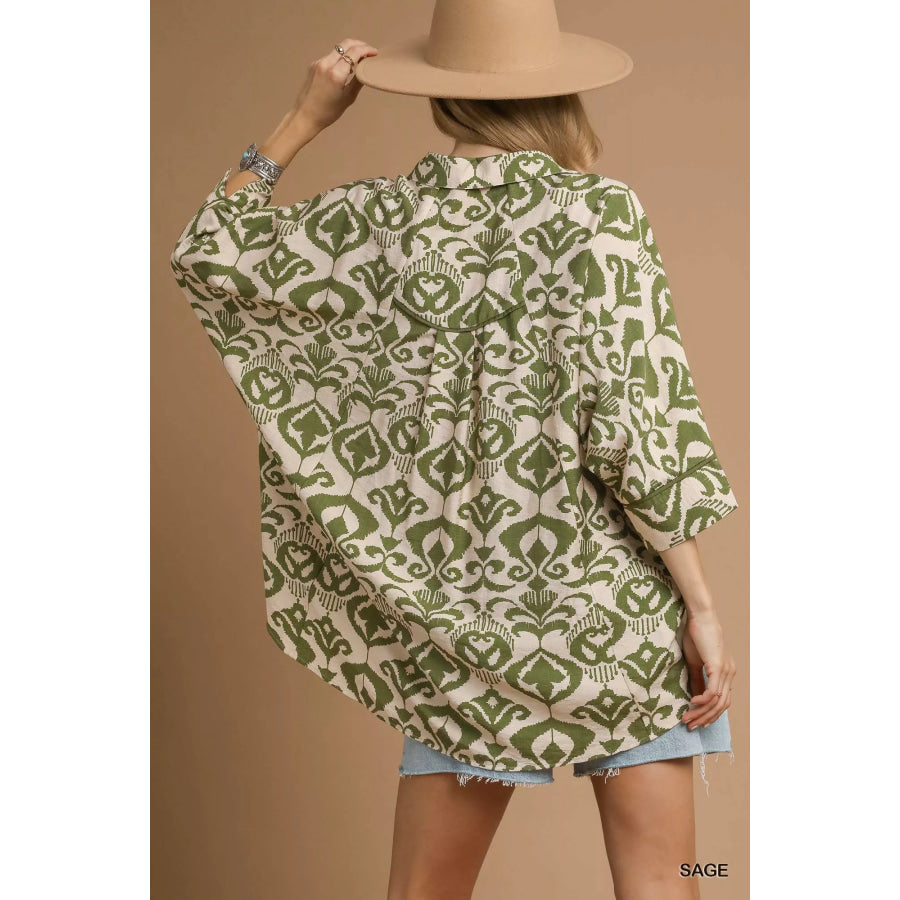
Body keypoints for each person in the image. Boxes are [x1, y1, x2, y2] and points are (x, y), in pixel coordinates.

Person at [169, 2, 740, 897]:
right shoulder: (602, 217)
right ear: (561, 92)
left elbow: (211, 252)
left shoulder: (377, 224)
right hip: (614, 620)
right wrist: (700, 606)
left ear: (441, 95)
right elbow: (639, 425)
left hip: (457, 628)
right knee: (672, 879)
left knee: (424, 892)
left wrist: (304, 118)